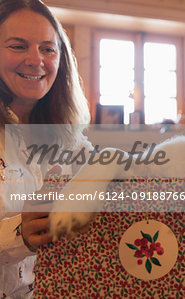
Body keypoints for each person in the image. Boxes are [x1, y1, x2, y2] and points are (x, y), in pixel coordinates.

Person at [0, 0, 91, 298]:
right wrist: (18, 234)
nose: (35, 59)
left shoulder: (72, 141)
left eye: (47, 49)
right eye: (17, 46)